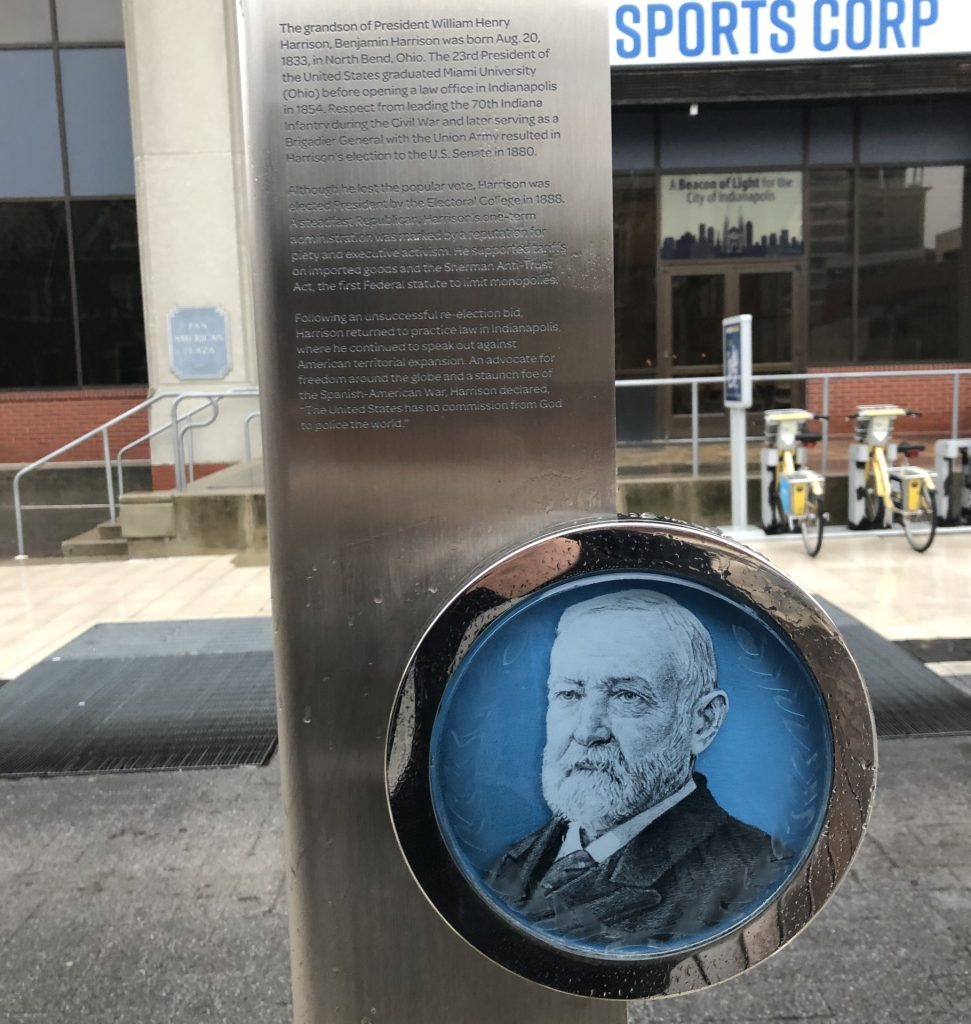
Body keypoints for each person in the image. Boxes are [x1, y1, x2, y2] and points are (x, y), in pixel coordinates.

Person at [487, 588, 788, 947]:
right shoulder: (516, 861)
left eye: (627, 696)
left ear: (702, 722)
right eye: (570, 694)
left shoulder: (754, 876)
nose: (587, 731)